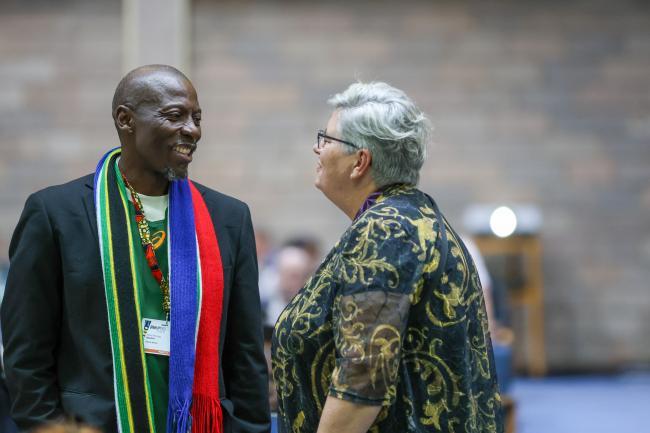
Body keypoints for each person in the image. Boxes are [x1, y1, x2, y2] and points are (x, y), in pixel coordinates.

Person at [1, 65, 270, 433]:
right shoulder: (55, 214)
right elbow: (26, 354)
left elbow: (246, 355)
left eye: (197, 118)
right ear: (126, 120)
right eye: (175, 116)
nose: (192, 129)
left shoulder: (228, 218)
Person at [272, 82, 503, 433]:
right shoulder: (416, 217)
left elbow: (362, 381)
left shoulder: (387, 231)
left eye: (327, 139)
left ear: (360, 161)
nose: (316, 149)